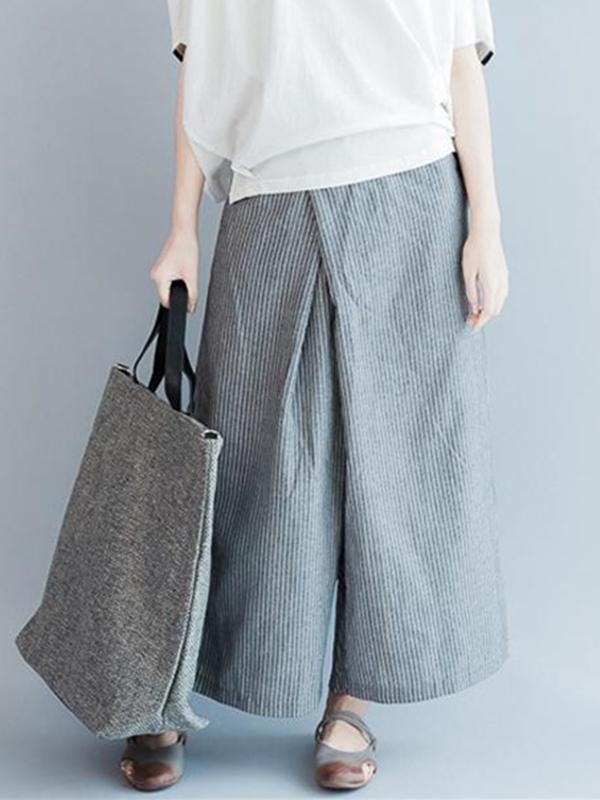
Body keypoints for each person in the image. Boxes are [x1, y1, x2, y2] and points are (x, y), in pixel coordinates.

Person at [119, 0, 510, 792]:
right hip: (269, 191)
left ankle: (350, 700)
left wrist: (488, 227)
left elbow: (458, 58)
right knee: (248, 467)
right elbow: (202, 64)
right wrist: (182, 227)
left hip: (413, 186)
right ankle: (167, 684)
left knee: (396, 466)